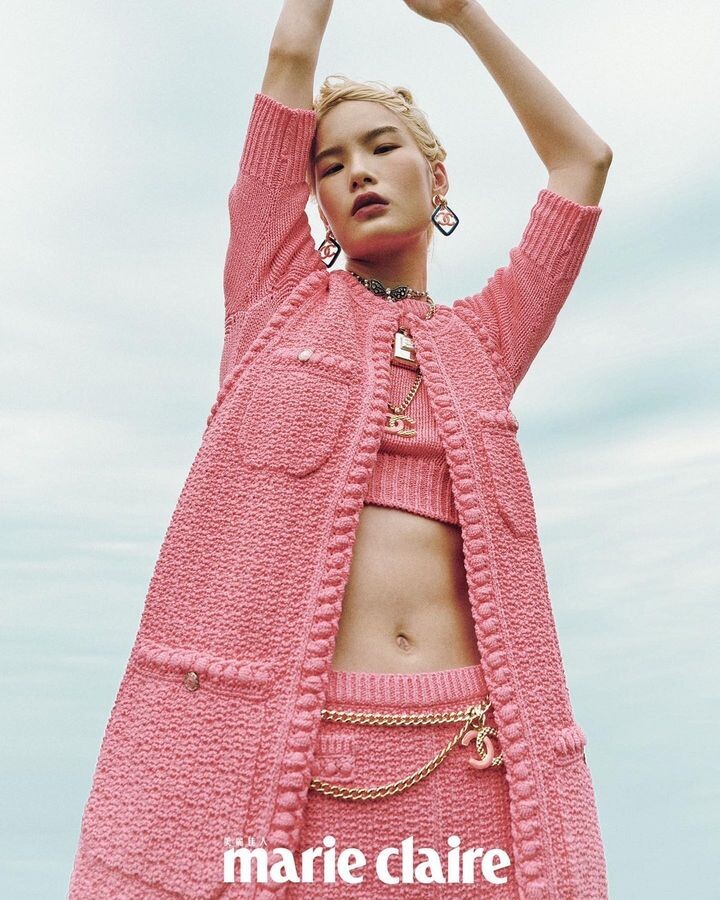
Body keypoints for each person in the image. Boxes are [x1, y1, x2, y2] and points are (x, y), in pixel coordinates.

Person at [68, 1, 612, 897]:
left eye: (382, 146)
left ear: (437, 177)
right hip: (298, 766)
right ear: (313, 200)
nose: (356, 170)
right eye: (330, 163)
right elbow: (290, 51)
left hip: (474, 766)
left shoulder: (485, 341)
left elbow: (582, 163)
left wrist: (463, 16)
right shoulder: (274, 301)